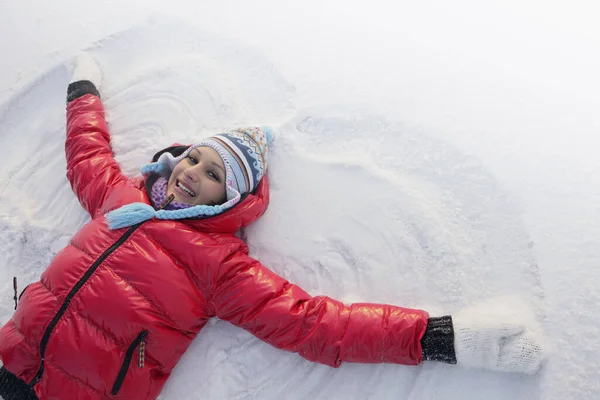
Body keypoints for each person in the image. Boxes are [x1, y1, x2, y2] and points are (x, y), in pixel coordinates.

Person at [0, 54, 546, 400]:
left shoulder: (218, 265)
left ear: (230, 197)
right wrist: (84, 91)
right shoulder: (121, 198)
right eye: (194, 158)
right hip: (9, 357)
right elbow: (86, 156)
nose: (192, 173)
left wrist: (441, 338)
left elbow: (315, 325)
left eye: (213, 174)